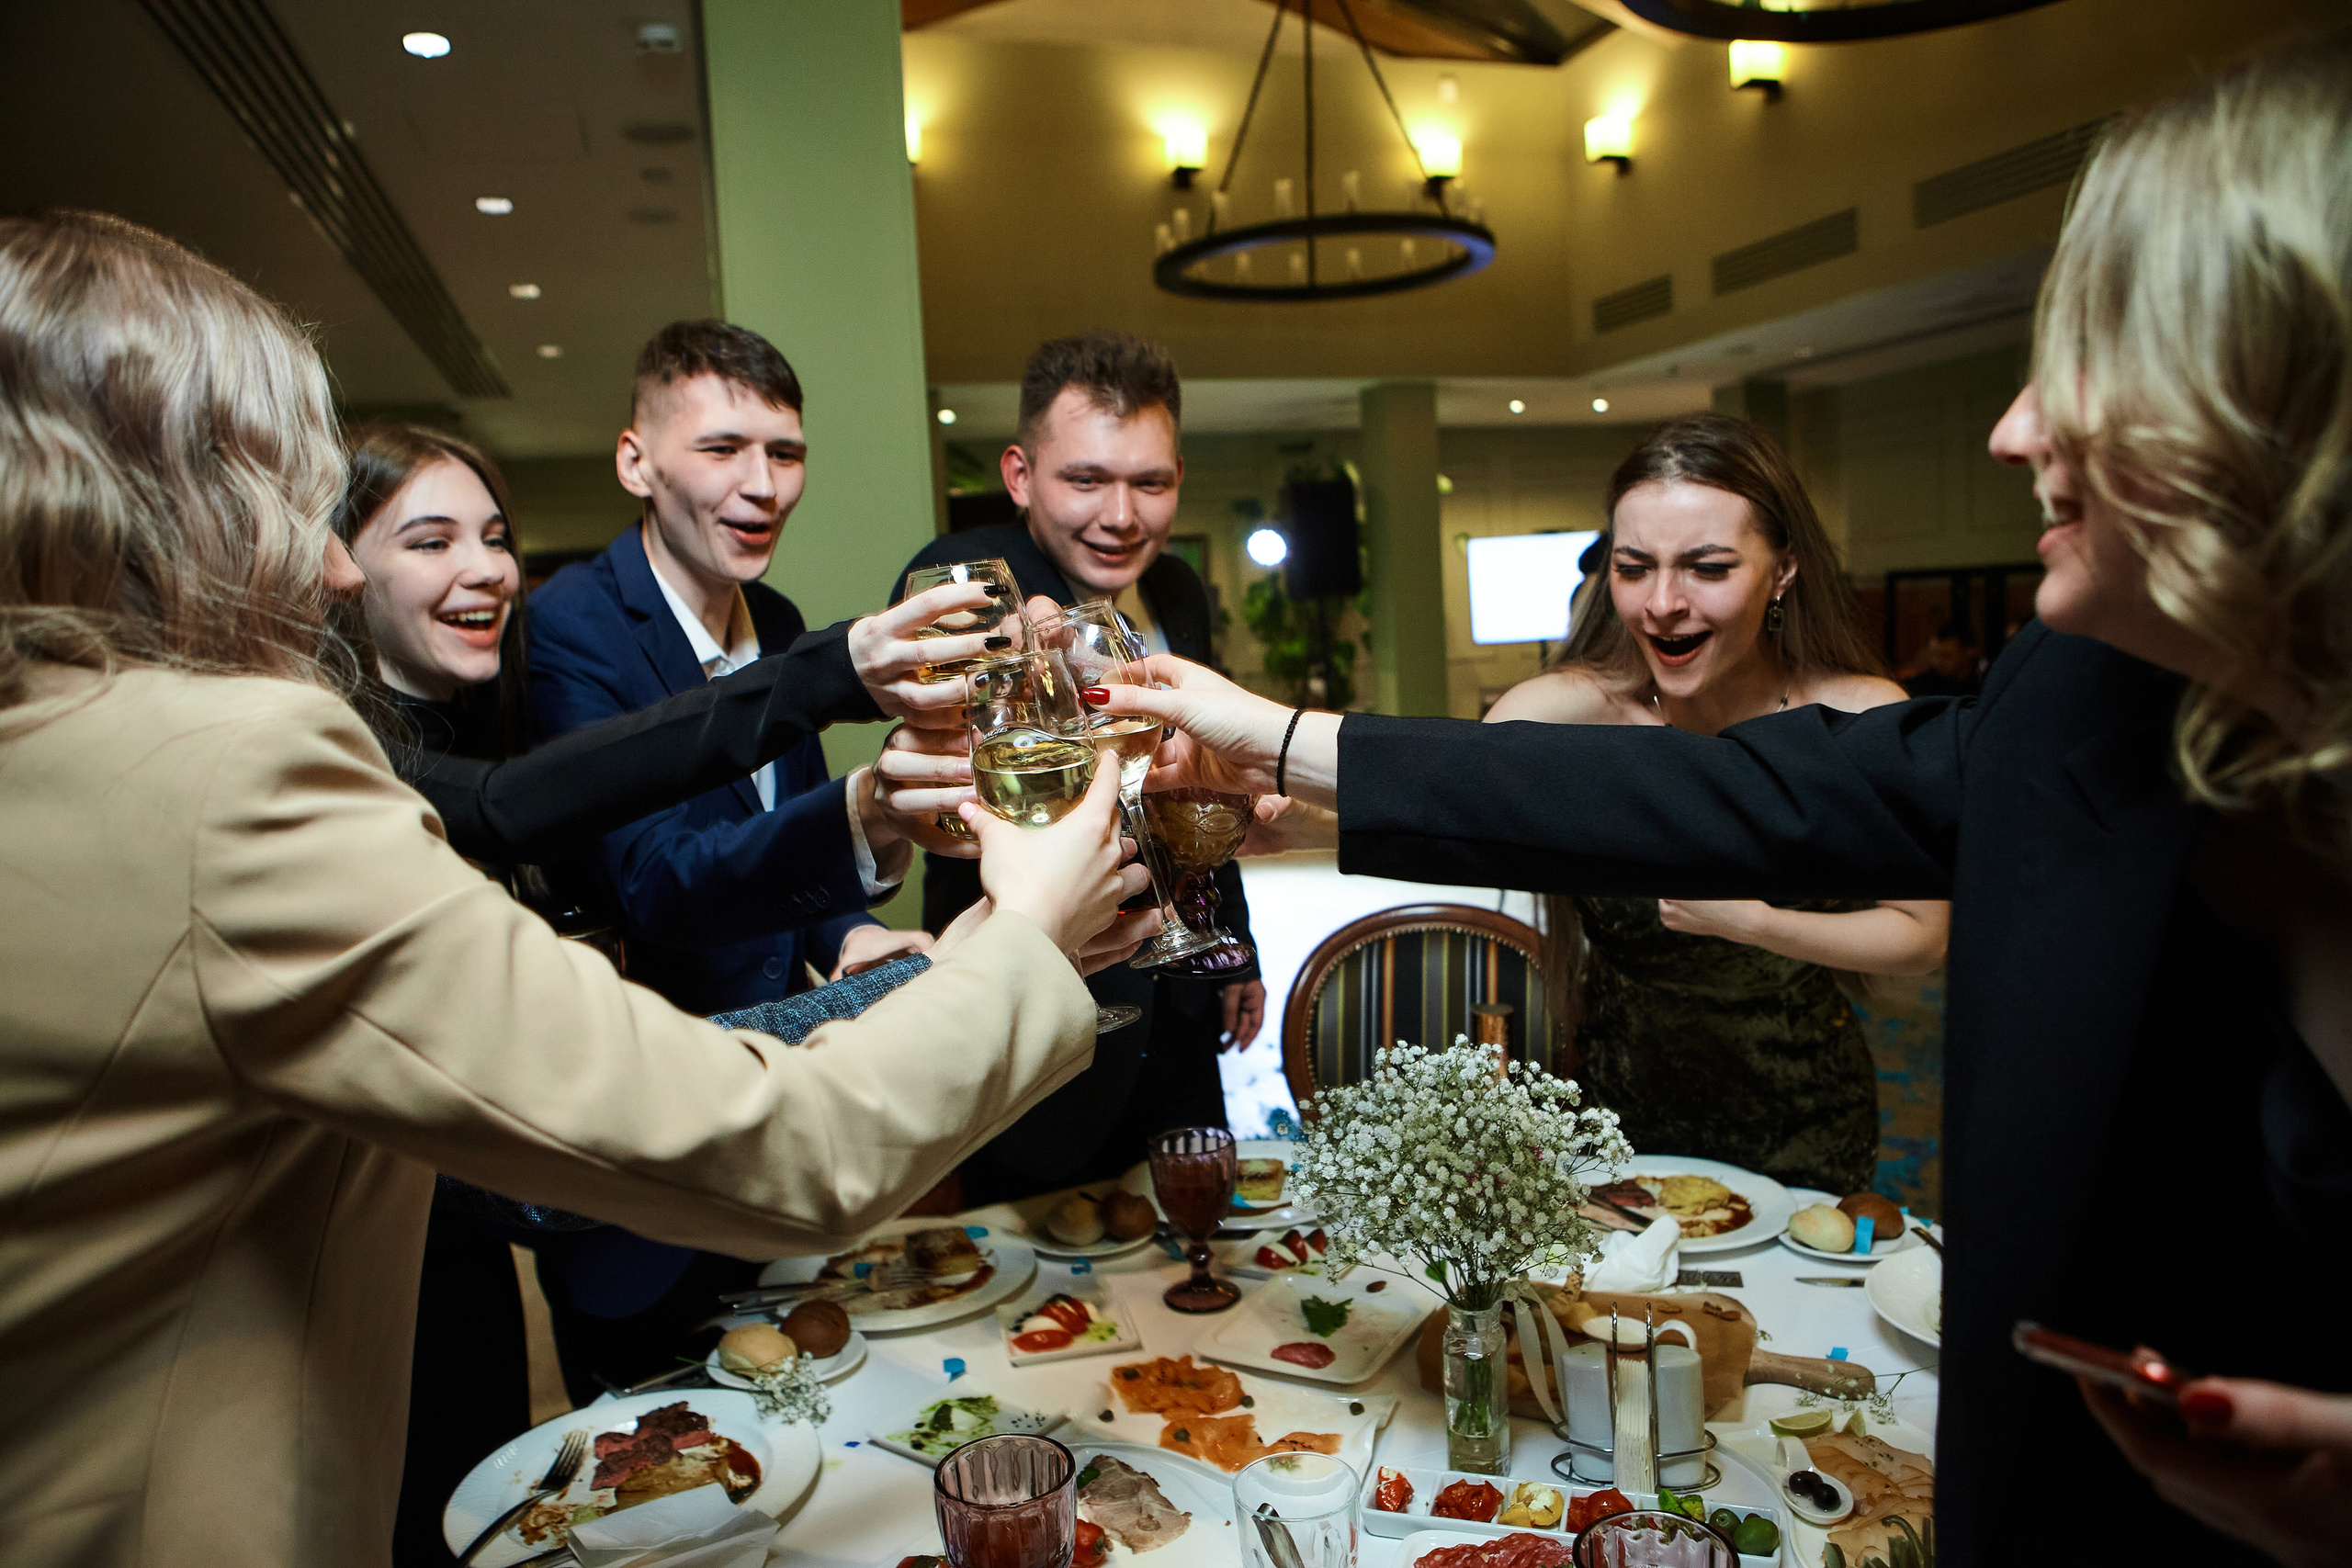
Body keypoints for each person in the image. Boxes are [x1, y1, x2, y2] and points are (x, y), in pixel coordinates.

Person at [1095, 35, 2352, 1566]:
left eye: (2096, 363)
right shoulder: (2068, 699)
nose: (2014, 428)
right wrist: (1279, 737)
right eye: (1635, 565)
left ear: (2283, 406)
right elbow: (1665, 792)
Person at [0, 209, 1147, 1568]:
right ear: (154, 495)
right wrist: (1019, 932)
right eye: (279, 494)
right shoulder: (224, 769)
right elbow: (778, 1140)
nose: (329, 566)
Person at [328, 423, 1038, 1565]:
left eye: (496, 537)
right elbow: (549, 1111)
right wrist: (934, 983)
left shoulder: (491, 711)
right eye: (429, 540)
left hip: (489, 1246)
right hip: (420, 1241)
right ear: (336, 567)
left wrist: (856, 929)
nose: (485, 568)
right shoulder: (370, 764)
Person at [1486, 413, 1948, 1194]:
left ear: (1784, 569)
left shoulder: (1861, 715)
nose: (1662, 603)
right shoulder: (1573, 713)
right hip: (1618, 1113)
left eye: (1707, 567)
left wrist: (1752, 920)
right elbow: (1448, 801)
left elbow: (1922, 934)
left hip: (1803, 1113)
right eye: (1635, 568)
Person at [876, 331, 1262, 1203]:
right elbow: (942, 632)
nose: (1121, 514)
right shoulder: (974, 579)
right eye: (1086, 479)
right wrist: (1018, 646)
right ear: (1020, 476)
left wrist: (1235, 949)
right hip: (1048, 1019)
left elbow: (1201, 786)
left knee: (1191, 1266)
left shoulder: (1176, 594)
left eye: (1150, 482)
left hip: (1182, 1009)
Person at [527, 319, 940, 1019]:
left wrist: (852, 934)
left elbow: (774, 840)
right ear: (636, 463)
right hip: (658, 1052)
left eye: (785, 454)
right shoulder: (571, 624)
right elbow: (652, 880)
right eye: (722, 449)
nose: (764, 486)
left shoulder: (776, 620)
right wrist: (862, 809)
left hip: (784, 1046)